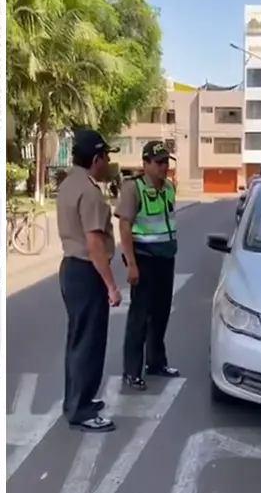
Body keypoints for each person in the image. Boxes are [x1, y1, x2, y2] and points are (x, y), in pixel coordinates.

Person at [56, 128, 121, 432]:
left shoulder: (69, 184)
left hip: (70, 268)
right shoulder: (91, 193)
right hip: (87, 271)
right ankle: (81, 410)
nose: (108, 161)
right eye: (106, 156)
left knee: (76, 340)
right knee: (89, 344)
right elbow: (95, 243)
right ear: (96, 158)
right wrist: (110, 286)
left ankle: (75, 401)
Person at [116, 140, 181, 390]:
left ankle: (156, 362)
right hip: (144, 260)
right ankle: (131, 371)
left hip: (166, 258)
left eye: (166, 162)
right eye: (159, 162)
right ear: (146, 164)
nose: (164, 166)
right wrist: (131, 263)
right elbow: (124, 226)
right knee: (139, 317)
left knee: (161, 313)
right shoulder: (134, 188)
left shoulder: (169, 188)